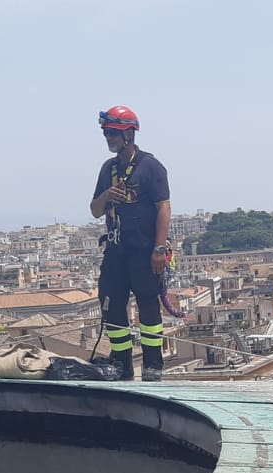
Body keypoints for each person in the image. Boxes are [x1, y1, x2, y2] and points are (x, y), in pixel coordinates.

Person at [91, 105, 172, 381]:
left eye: (112, 132)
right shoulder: (108, 169)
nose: (108, 137)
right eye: (106, 133)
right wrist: (107, 196)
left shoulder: (151, 167)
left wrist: (159, 249)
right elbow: (95, 210)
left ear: (128, 134)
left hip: (144, 249)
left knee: (148, 303)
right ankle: (121, 363)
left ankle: (153, 365)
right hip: (116, 249)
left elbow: (164, 208)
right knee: (112, 302)